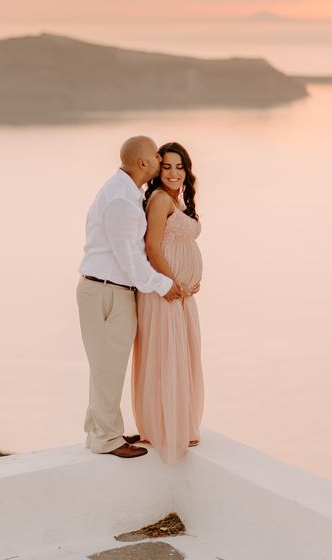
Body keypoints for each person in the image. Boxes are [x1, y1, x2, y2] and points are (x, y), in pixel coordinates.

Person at [77, 136, 182, 459]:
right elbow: (131, 259)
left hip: (108, 288)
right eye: (154, 155)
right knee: (108, 366)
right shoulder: (121, 199)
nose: (158, 158)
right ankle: (107, 439)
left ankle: (103, 430)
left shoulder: (124, 192)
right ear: (142, 163)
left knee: (106, 365)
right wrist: (163, 285)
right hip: (108, 289)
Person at [132, 142, 204, 464]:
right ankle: (165, 428)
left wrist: (188, 280)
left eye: (179, 167)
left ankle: (177, 424)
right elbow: (152, 247)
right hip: (165, 294)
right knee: (167, 356)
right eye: (167, 167)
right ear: (158, 171)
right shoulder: (160, 200)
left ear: (186, 170)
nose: (174, 173)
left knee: (179, 355)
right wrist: (173, 283)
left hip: (179, 294)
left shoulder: (177, 200)